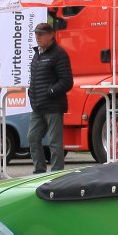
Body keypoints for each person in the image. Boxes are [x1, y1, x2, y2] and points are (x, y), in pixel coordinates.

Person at [27, 22, 73, 174]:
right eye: (36, 34)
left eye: (41, 34)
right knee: (32, 138)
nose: (38, 37)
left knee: (55, 142)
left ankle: (57, 173)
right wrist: (31, 93)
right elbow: (35, 79)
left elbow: (67, 81)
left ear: (51, 35)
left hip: (53, 105)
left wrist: (51, 91)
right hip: (38, 105)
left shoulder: (59, 54)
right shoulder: (37, 54)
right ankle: (39, 171)